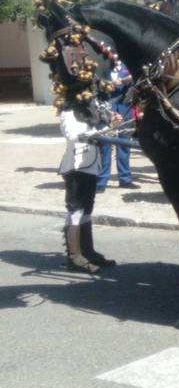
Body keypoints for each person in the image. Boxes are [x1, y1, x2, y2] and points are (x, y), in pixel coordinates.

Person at [60, 100, 121, 273]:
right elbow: (72, 135)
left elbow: (100, 136)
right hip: (76, 167)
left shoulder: (90, 115)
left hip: (92, 167)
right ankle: (74, 257)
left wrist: (113, 126)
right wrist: (99, 132)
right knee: (76, 210)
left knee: (87, 210)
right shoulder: (68, 113)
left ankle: (88, 252)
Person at [96, 60, 135, 193]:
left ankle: (125, 178)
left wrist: (126, 79)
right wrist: (110, 84)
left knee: (124, 145)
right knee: (105, 146)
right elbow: (95, 87)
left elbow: (136, 81)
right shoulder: (101, 67)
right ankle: (102, 181)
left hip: (125, 107)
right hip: (107, 108)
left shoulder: (127, 66)